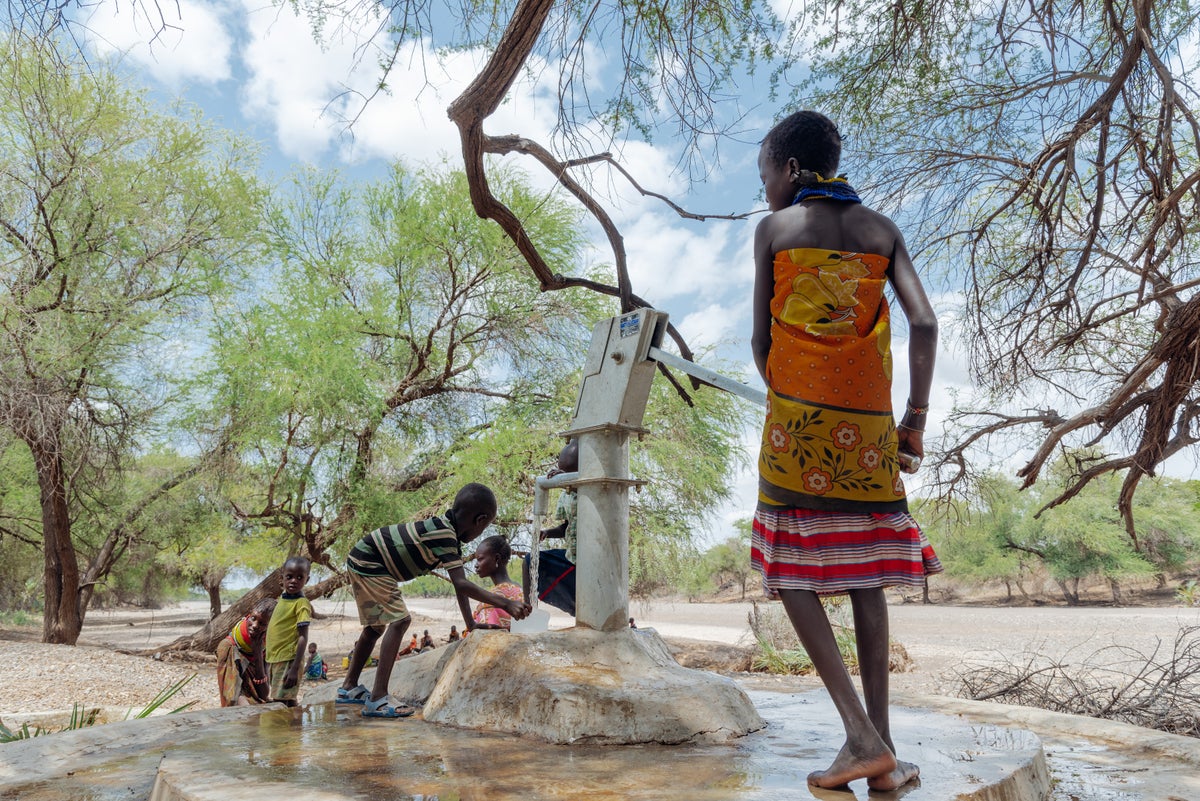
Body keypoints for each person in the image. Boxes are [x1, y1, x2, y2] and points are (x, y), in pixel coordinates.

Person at [750, 110, 943, 792]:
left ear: (792, 168)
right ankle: (884, 755)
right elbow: (923, 321)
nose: (765, 186)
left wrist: (795, 392)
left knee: (789, 565)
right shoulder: (881, 231)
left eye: (766, 172)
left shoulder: (774, 231)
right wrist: (913, 421)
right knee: (865, 580)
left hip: (796, 426)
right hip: (868, 431)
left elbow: (759, 342)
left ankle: (860, 735)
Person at [336, 483, 532, 719]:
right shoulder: (444, 534)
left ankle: (348, 687)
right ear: (480, 520)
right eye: (485, 527)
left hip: (364, 559)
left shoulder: (447, 534)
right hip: (369, 562)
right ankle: (378, 698)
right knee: (399, 621)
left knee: (376, 626)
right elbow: (462, 584)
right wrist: (506, 603)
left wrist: (471, 623)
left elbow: (459, 585)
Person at [523, 439, 578, 615]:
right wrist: (546, 532)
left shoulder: (596, 494)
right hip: (572, 556)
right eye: (563, 474)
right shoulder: (566, 496)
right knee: (529, 560)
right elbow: (566, 528)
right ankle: (527, 610)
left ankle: (578, 608)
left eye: (570, 474)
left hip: (590, 561)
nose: (566, 479)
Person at [264, 556, 313, 707]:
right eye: (289, 577)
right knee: (287, 699)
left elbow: (303, 636)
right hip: (276, 659)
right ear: (282, 578)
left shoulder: (301, 603)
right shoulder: (282, 600)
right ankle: (295, 729)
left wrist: (295, 667)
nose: (294, 581)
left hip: (288, 660)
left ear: (307, 579)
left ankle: (285, 730)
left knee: (281, 700)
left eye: (300, 577)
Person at [215, 598, 276, 706]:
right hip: (240, 706)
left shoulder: (266, 646)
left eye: (262, 624)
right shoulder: (228, 646)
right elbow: (232, 695)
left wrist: (257, 652)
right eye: (253, 618)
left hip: (254, 703)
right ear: (248, 615)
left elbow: (264, 693)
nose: (255, 625)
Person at [471, 535, 525, 630]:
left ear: (497, 558)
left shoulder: (491, 599)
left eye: (480, 559)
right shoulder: (521, 590)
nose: (476, 565)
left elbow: (482, 637)